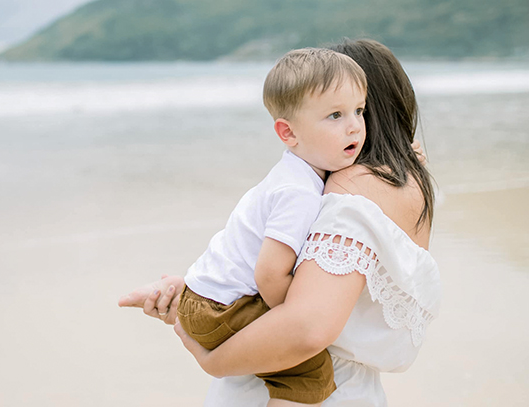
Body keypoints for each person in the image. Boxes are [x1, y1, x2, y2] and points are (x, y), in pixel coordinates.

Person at [120, 39, 439, 406]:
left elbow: (305, 324)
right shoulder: (406, 184)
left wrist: (213, 360)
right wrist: (205, 294)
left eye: (357, 110)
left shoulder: (348, 187)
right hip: (340, 383)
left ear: (372, 107)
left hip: (298, 382)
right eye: (333, 114)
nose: (351, 125)